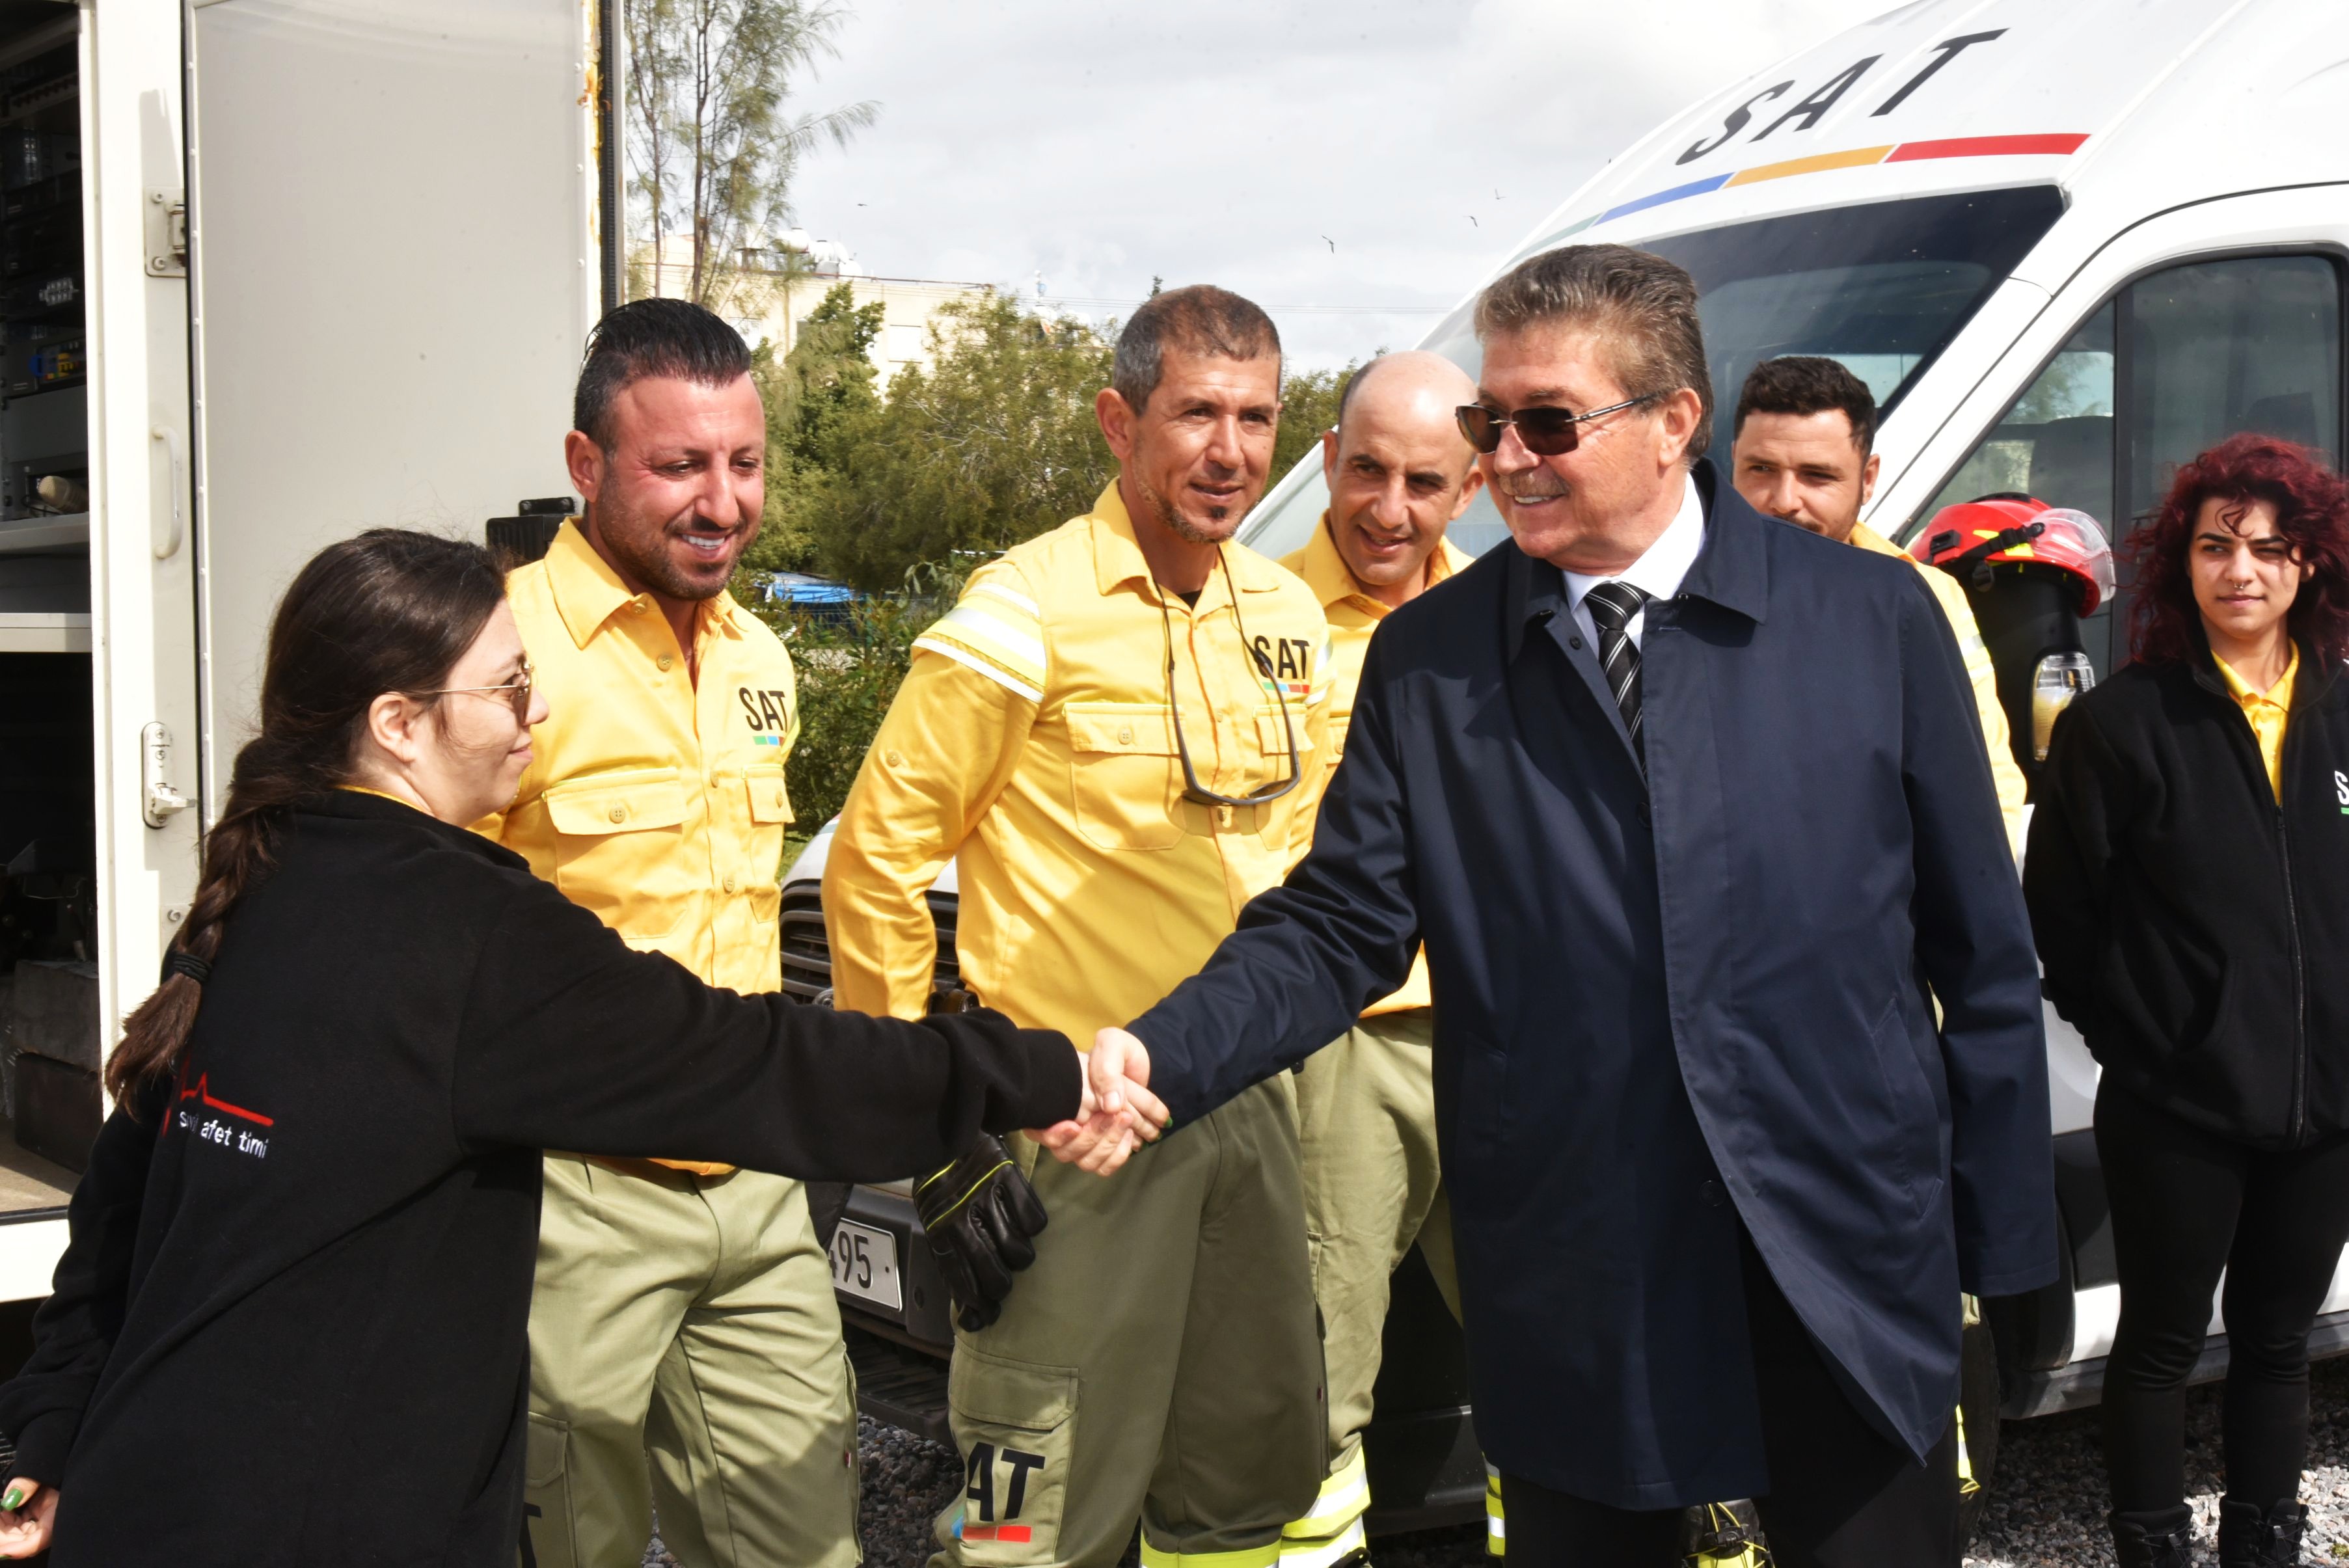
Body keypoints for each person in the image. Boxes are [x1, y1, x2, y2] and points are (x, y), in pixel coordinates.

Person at [1083, 244, 2058, 1567]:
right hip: (1578, 1264)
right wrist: (1162, 1051)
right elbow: (1337, 925)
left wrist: (2004, 1242)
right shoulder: (1433, 660)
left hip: (1840, 1247)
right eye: (1489, 421)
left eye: (1547, 423)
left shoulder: (1872, 619)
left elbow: (1981, 953)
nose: (1503, 459)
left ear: (1673, 421)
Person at [0, 530, 1145, 1567]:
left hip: (143, 1490)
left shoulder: (262, 872)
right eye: (507, 686)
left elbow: (124, 1199)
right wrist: (1034, 1069)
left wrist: (49, 1426)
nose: (536, 711)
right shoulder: (468, 931)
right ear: (399, 724)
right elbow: (754, 1060)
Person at [822, 284, 1335, 1568]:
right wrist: (930, 1125)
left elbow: (1301, 867)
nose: (1229, 451)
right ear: (1119, 421)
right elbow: (875, 860)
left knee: (1237, 1488)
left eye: (1257, 417)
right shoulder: (1026, 607)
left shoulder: (1284, 616)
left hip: (1243, 1102)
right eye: (1196, 413)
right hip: (1076, 1122)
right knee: (1029, 1507)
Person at [483, 299, 855, 1568]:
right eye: (680, 465)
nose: (722, 501)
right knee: (561, 1543)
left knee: (804, 1541)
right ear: (586, 465)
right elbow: (411, 925)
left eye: (744, 462)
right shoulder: (499, 652)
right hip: (570, 1190)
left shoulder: (760, 660)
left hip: (754, 1177)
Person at [2025, 433, 2349, 1568]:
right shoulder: (2121, 724)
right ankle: (2153, 1544)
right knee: (2161, 1344)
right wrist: (2148, 1045)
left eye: (2269, 547)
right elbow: (2062, 915)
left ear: (2309, 562)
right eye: (2216, 546)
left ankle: (2266, 1538)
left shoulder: (2344, 712)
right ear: (2182, 563)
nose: (2241, 570)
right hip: (2177, 1106)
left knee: (2277, 1340)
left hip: (2328, 1107)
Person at [1274, 350, 1480, 1568]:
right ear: (1326, 461)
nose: (1388, 509)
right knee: (1317, 1363)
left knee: (1546, 1341)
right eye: (1366, 471)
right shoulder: (1251, 616)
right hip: (1339, 1044)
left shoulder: (1505, 616)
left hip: (1498, 1032)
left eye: (1424, 481)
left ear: (1471, 489)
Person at [1730, 355, 2029, 853]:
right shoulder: (1669, 585)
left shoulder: (1926, 595)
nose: (1784, 500)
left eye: (1817, 475)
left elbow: (1982, 780)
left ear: (1868, 478)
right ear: (1732, 461)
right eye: (1761, 469)